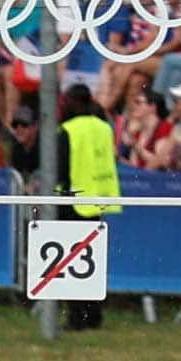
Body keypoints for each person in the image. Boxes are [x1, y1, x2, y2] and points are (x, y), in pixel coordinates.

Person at [55, 85, 117, 331]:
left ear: (73, 102)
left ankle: (76, 318)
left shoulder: (68, 130)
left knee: (72, 263)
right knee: (91, 264)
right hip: (96, 200)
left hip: (72, 200)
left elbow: (59, 169)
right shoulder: (103, 127)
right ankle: (94, 316)